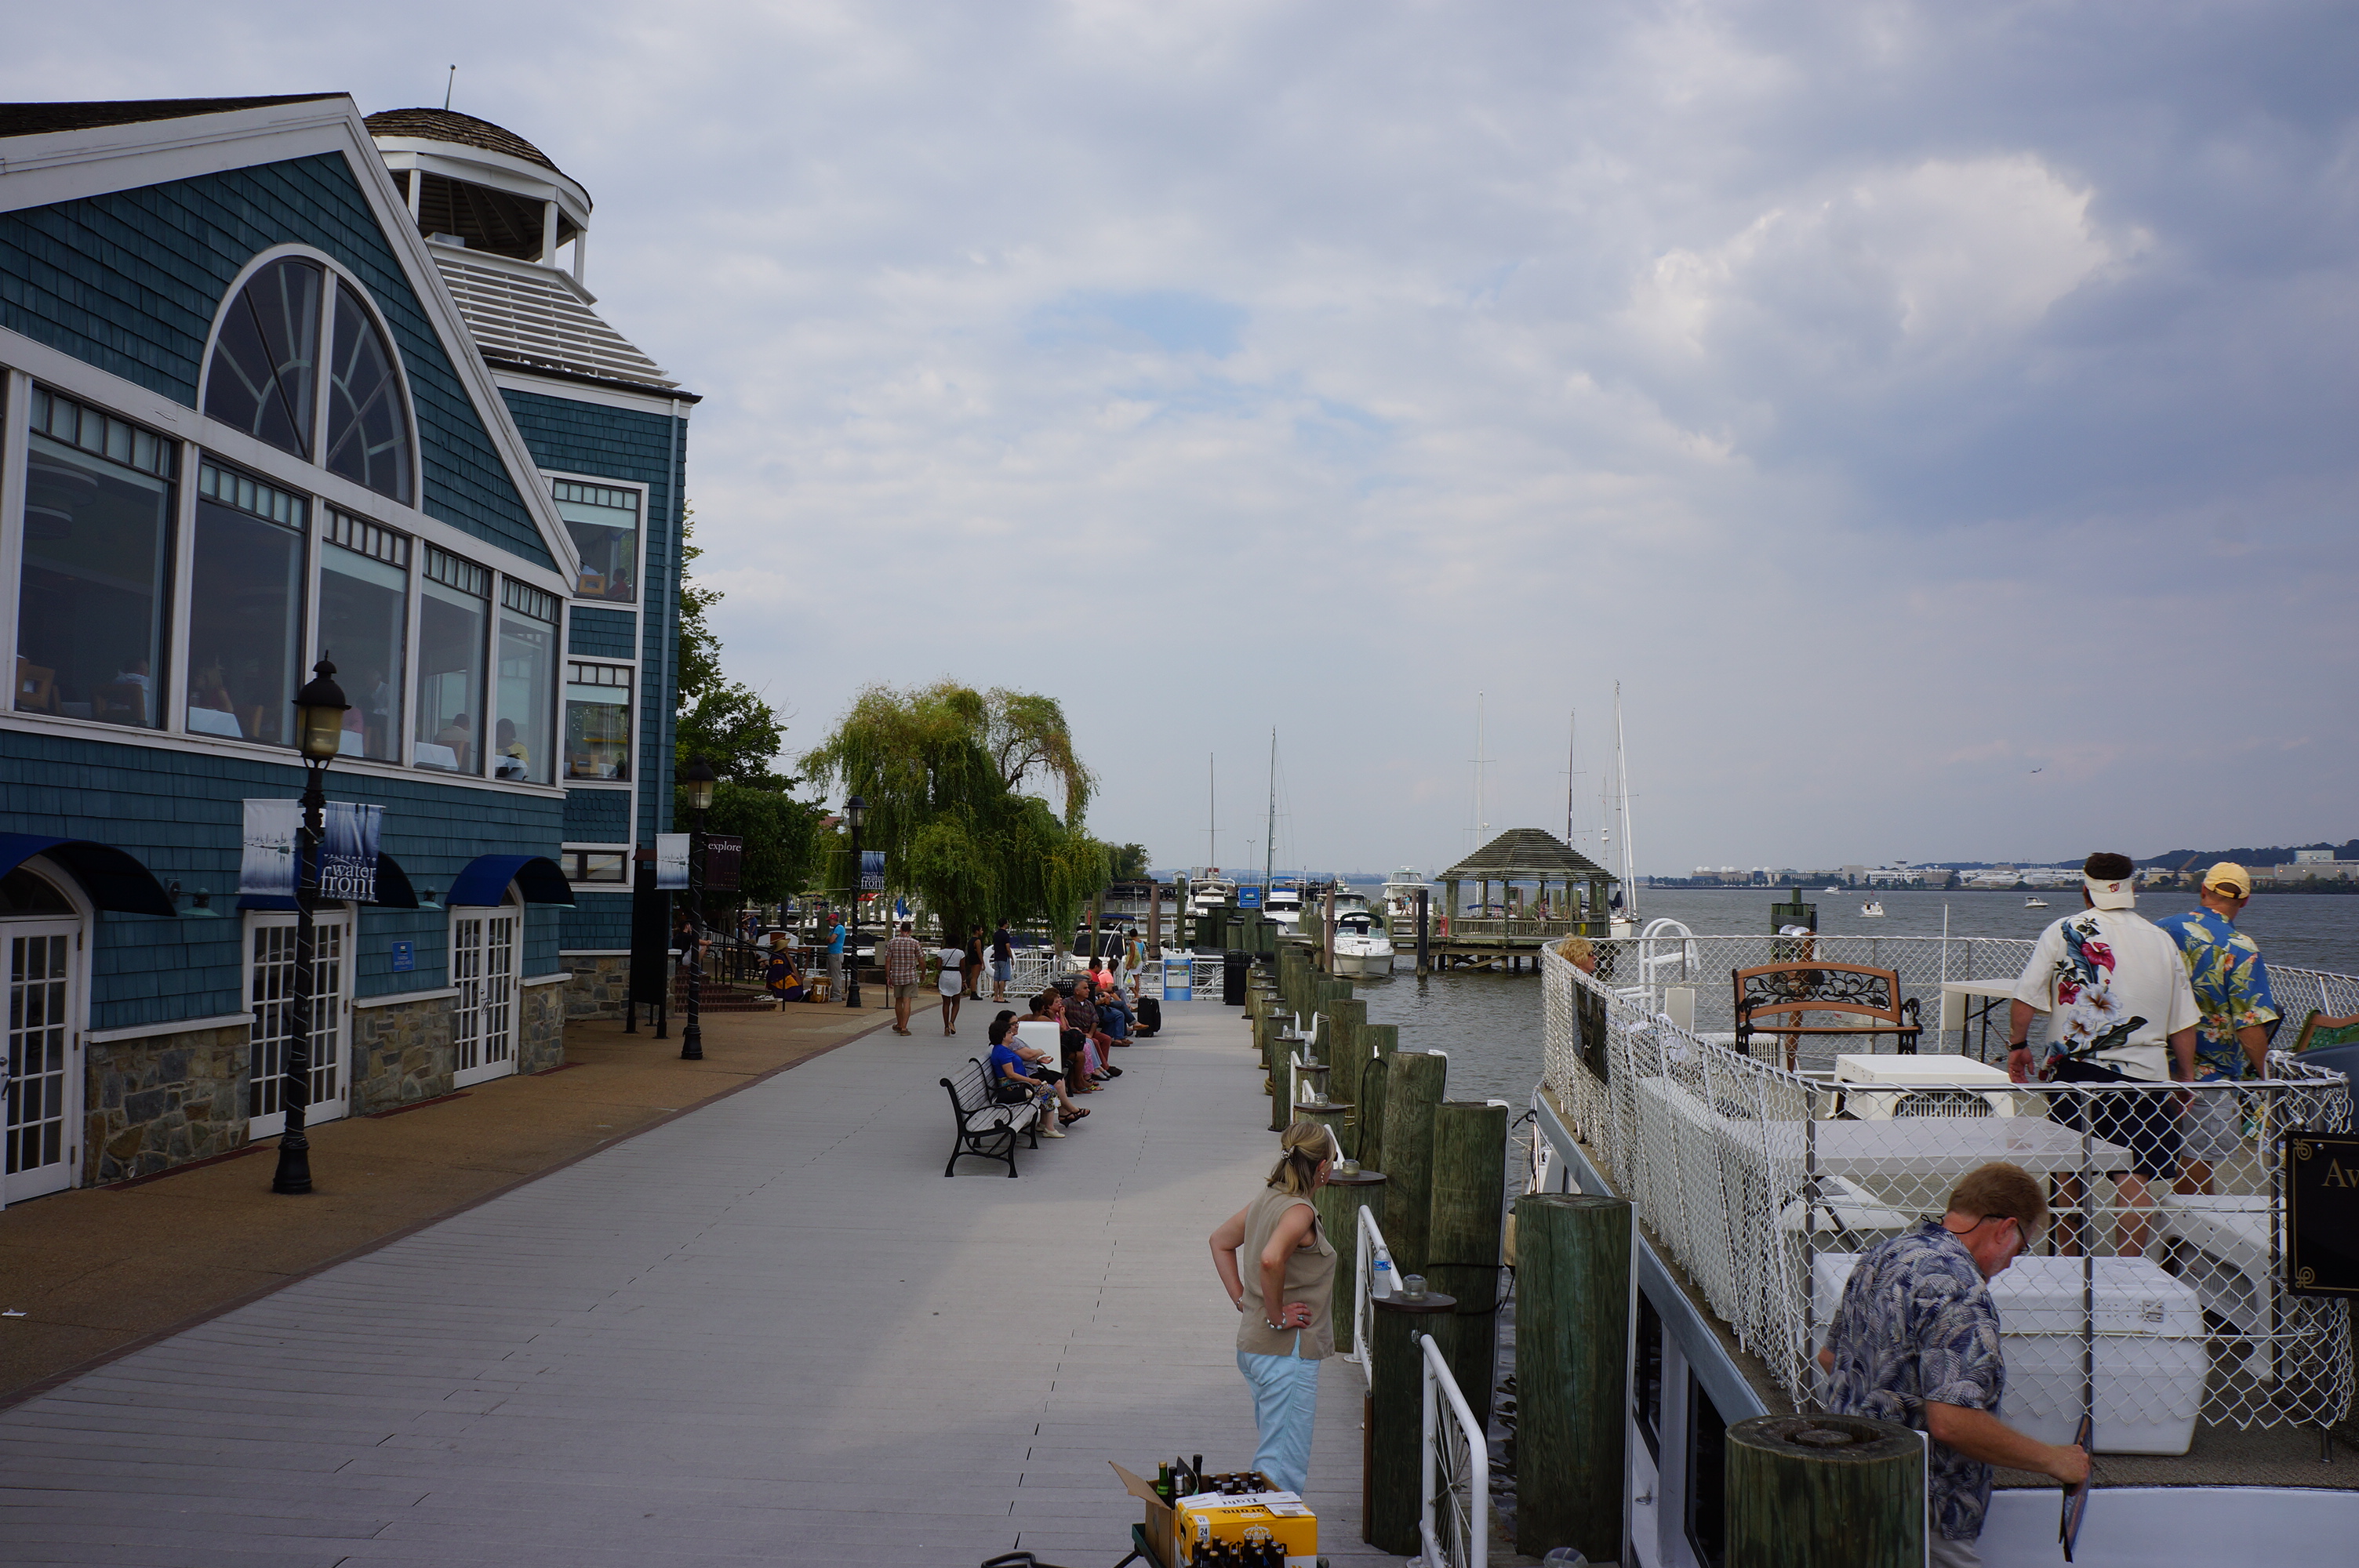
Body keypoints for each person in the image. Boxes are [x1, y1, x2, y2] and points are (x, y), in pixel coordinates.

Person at [1818, 1163, 2089, 1568]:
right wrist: (2055, 1460)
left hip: (1847, 1482)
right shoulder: (1961, 1292)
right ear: (2004, 1228)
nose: (2013, 1262)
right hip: (1921, 1509)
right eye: (2021, 1247)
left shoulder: (1884, 1254)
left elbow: (1830, 1357)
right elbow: (1951, 1422)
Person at [2006, 851, 2199, 1257]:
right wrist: (2185, 1075)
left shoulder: (2066, 929)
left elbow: (2027, 995)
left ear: (2085, 888)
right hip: (2147, 1074)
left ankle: (2069, 1262)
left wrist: (2018, 1045)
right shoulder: (2161, 940)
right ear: (2133, 888)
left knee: (2069, 1165)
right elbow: (2183, 1019)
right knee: (2135, 1175)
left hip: (2078, 1069)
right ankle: (2127, 1273)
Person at [1207, 1122, 1339, 1497]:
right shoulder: (1299, 1213)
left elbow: (1220, 1241)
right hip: (1286, 1354)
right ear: (1322, 1168)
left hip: (1256, 1350)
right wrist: (1276, 1313)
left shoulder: (1268, 1197)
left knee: (1274, 1453)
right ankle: (1266, 1545)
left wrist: (1243, 1300)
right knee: (1281, 1468)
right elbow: (1270, 1259)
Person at [2154, 862, 2280, 1195]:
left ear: (2203, 891)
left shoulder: (2159, 931)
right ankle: (2187, 1240)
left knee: (2138, 1161)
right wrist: (2268, 1078)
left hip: (2149, 1067)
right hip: (2209, 1075)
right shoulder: (2240, 948)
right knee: (2196, 1159)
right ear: (2246, 901)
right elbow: (2248, 1024)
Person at [987, 1014, 1086, 1128]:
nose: (1015, 1028)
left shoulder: (1004, 1048)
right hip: (1013, 1088)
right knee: (1049, 1090)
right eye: (1011, 1028)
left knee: (1052, 1085)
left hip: (1020, 1084)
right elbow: (1012, 1073)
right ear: (1003, 1034)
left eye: (1017, 1022)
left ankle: (1047, 1123)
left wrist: (1038, 1060)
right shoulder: (1003, 1050)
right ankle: (1051, 1126)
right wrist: (1032, 1079)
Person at [883, 920, 925, 1035]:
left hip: (896, 975)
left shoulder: (892, 942)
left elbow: (887, 961)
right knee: (907, 1001)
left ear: (900, 930)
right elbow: (921, 960)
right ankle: (904, 1028)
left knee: (898, 1001)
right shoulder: (915, 943)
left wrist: (888, 976)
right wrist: (923, 973)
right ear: (910, 931)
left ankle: (899, 1024)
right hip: (910, 976)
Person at [934, 935, 966, 1036]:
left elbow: (938, 967)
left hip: (945, 976)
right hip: (956, 976)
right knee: (956, 1002)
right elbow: (963, 968)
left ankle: (946, 1027)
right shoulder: (960, 953)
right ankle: (952, 1022)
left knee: (946, 1003)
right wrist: (964, 981)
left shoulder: (941, 952)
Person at [763, 933, 805, 1006]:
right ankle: (793, 996)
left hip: (782, 974)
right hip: (777, 977)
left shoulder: (783, 955)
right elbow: (779, 968)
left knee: (797, 979)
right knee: (792, 981)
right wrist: (789, 972)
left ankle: (798, 995)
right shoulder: (777, 957)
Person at [990, 920, 1015, 1003]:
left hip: (996, 957)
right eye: (1007, 923)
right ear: (1004, 925)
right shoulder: (1005, 935)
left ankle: (995, 996)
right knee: (1003, 979)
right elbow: (1008, 947)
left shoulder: (996, 934)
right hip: (1004, 958)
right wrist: (1012, 958)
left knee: (996, 978)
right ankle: (1001, 997)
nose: (1008, 925)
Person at [962, 924, 986, 1000]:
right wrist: (982, 962)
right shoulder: (977, 941)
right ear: (977, 931)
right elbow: (979, 953)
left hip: (971, 959)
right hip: (976, 960)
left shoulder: (970, 941)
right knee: (975, 977)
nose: (982, 932)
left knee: (974, 976)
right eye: (981, 930)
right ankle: (973, 993)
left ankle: (973, 992)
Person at [826, 914, 845, 996]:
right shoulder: (834, 929)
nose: (829, 923)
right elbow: (827, 939)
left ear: (834, 920)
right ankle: (831, 993)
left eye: (829, 921)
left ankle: (837, 994)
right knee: (830, 975)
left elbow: (830, 940)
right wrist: (829, 939)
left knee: (835, 975)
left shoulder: (838, 928)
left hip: (836, 954)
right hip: (832, 953)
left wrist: (830, 939)